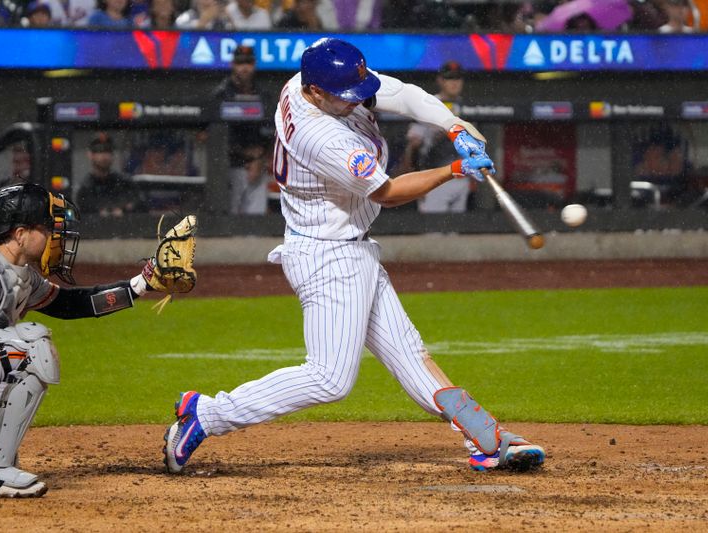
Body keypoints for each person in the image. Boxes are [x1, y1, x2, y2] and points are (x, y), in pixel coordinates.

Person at [163, 37, 545, 475]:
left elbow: (399, 92)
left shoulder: (310, 81)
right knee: (329, 378)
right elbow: (388, 192)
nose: (358, 102)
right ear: (316, 93)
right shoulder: (319, 135)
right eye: (347, 98)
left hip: (349, 246)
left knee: (410, 355)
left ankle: (487, 437)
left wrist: (452, 124)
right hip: (327, 255)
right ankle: (206, 414)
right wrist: (453, 170)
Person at [0, 183, 179, 497]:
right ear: (20, 234)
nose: (55, 237)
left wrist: (141, 284)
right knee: (30, 345)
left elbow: (71, 304)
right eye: (47, 229)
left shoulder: (16, 273)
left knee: (22, 346)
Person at [397, 61, 472, 214]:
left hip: (461, 178)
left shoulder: (467, 106)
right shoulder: (427, 104)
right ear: (440, 80)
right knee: (433, 234)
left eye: (457, 78)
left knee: (457, 235)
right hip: (434, 177)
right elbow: (413, 143)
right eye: (449, 78)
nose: (454, 83)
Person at [76, 134, 145, 217]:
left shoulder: (125, 183)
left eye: (108, 151)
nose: (104, 156)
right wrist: (100, 213)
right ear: (90, 155)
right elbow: (84, 213)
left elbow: (139, 205)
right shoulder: (85, 189)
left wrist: (124, 211)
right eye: (99, 151)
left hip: (125, 228)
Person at [229, 143, 269, 214]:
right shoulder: (237, 177)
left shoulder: (273, 180)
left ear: (263, 160)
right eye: (242, 160)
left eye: (250, 159)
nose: (246, 165)